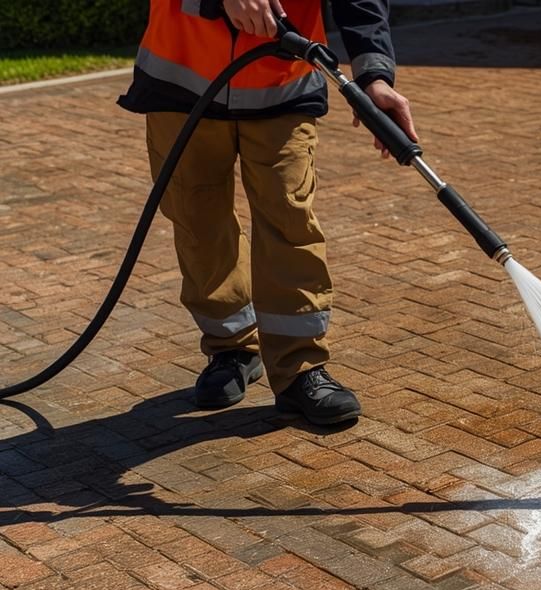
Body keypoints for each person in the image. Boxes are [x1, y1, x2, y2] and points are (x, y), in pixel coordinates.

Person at [118, 0, 417, 425]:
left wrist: (374, 75)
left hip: (283, 82)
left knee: (289, 222)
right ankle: (230, 347)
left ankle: (300, 370)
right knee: (198, 222)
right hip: (181, 80)